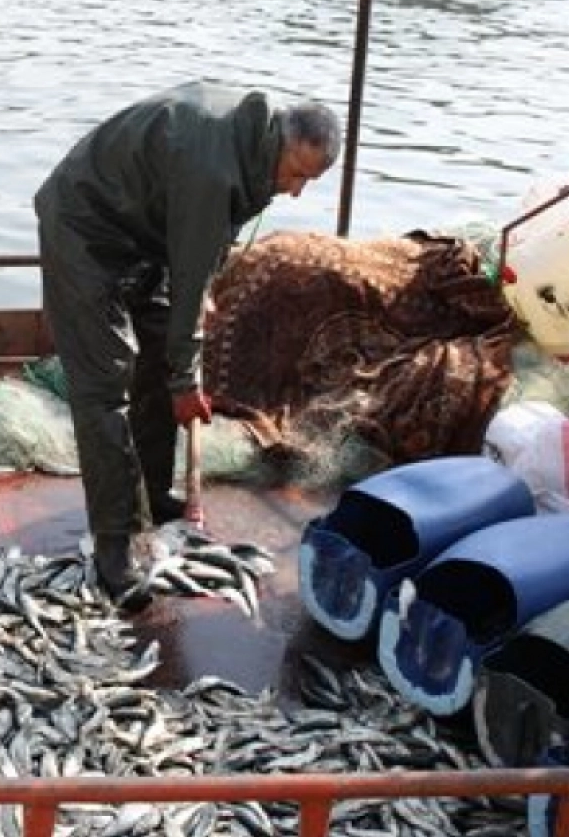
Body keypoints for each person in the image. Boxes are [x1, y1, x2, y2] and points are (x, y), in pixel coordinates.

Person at [33, 83, 341, 610]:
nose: (295, 192)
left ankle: (151, 494)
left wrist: (195, 305)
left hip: (143, 234)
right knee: (106, 383)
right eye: (298, 175)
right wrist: (187, 381)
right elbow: (195, 246)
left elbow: (202, 253)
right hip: (83, 229)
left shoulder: (253, 147)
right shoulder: (214, 167)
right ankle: (115, 546)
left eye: (307, 183)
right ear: (284, 145)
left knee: (157, 354)